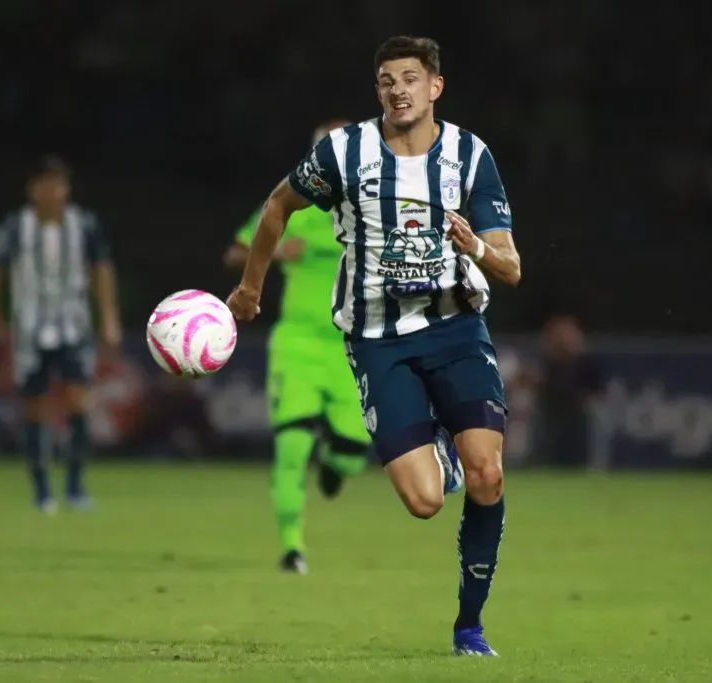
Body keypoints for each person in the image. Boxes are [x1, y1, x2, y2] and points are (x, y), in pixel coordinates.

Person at [227, 36, 521, 656]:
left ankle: (469, 627)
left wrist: (472, 247)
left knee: (488, 475)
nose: (398, 90)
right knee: (422, 503)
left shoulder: (470, 156)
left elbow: (511, 267)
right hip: (377, 339)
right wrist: (250, 289)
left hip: (456, 327)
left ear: (434, 87)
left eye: (410, 78)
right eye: (387, 80)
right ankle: (442, 442)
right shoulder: (344, 152)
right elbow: (278, 205)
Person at [224, 119, 371, 575]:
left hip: (352, 348)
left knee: (352, 449)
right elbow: (235, 252)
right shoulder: (291, 205)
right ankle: (292, 546)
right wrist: (271, 254)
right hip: (297, 341)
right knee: (291, 446)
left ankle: (335, 465)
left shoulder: (372, 208)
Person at [0, 155, 121, 514]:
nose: (53, 191)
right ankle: (42, 489)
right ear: (33, 189)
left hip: (73, 325)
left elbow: (102, 269)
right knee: (35, 406)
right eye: (45, 184)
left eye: (59, 184)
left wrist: (108, 317)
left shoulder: (84, 225)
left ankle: (74, 486)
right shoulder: (15, 226)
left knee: (77, 400)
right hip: (29, 326)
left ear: (66, 189)